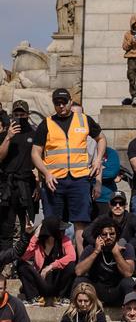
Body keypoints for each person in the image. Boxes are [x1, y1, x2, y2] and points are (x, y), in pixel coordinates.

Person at [33, 88, 106, 248]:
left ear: (70, 102)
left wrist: (98, 160)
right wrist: (46, 173)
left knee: (81, 224)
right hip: (54, 181)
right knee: (52, 224)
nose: (61, 106)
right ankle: (51, 265)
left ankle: (80, 268)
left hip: (79, 180)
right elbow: (35, 153)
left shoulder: (84, 120)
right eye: (57, 103)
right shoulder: (46, 123)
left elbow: (101, 138)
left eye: (64, 102)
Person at [0, 101, 38, 255]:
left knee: (27, 226)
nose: (19, 117)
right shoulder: (4, 135)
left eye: (22, 114)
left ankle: (23, 261)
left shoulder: (35, 135)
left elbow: (40, 160)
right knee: (5, 229)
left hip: (27, 185)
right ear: (12, 116)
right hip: (7, 186)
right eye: (16, 115)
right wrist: (8, 137)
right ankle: (6, 263)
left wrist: (38, 185)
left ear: (28, 115)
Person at [74, 220, 136, 307]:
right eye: (104, 234)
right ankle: (74, 313)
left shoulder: (126, 248)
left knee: (128, 282)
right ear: (99, 236)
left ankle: (132, 312)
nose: (108, 237)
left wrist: (116, 253)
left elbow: (128, 273)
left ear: (117, 235)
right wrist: (96, 252)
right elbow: (78, 272)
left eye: (112, 234)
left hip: (116, 291)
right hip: (97, 291)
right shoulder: (91, 248)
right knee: (80, 281)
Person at [16, 215, 75, 305]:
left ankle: (62, 297)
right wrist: (35, 236)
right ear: (51, 231)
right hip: (41, 283)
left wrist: (50, 267)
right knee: (21, 264)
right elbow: (24, 256)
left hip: (57, 283)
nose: (63, 232)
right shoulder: (38, 242)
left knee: (71, 265)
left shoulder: (64, 240)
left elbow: (72, 256)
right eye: (60, 230)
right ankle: (34, 298)